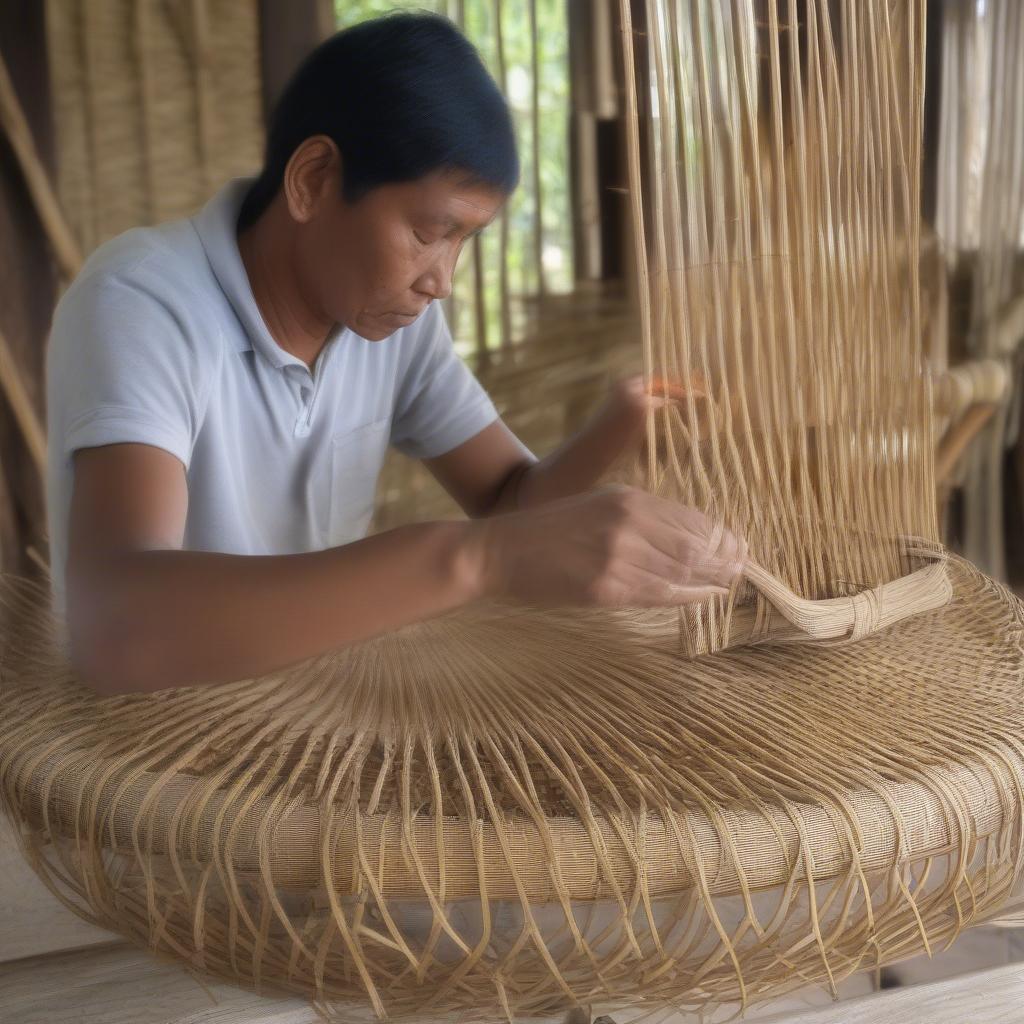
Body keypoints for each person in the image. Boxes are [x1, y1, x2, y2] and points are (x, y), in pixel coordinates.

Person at [45, 12, 744, 697]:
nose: (442, 279)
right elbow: (119, 626)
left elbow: (509, 504)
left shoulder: (391, 324)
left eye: (464, 241)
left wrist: (619, 427)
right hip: (154, 765)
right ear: (313, 179)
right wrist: (477, 561)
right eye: (429, 231)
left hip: (314, 721)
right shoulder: (144, 302)